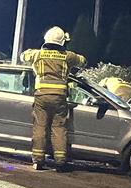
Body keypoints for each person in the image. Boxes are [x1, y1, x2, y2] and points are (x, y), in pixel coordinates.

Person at [21, 27, 86, 171]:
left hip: (41, 96)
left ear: (46, 39)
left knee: (40, 127)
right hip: (59, 97)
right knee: (59, 128)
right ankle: (60, 161)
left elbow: (23, 56)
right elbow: (83, 61)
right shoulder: (68, 56)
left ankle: (38, 161)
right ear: (62, 41)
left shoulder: (37, 54)